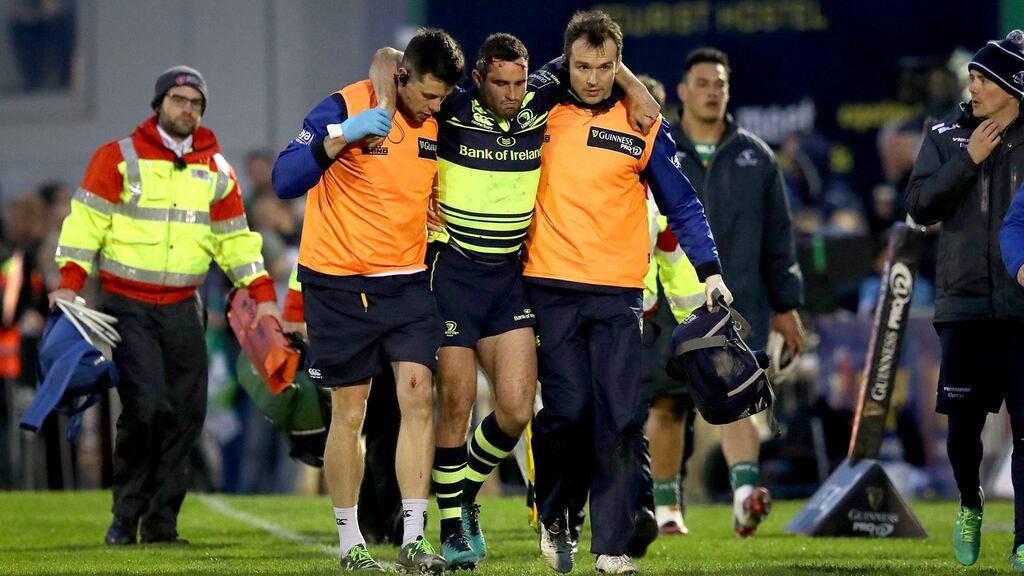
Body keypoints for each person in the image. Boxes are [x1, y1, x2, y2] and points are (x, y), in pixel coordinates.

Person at [367, 33, 659, 569]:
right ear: (478, 79)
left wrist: (633, 85)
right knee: (455, 403)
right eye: (499, 83)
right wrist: (386, 103)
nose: (511, 93)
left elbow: (593, 62)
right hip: (453, 275)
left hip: (508, 278)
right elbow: (390, 58)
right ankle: (454, 522)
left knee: (518, 409)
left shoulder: (540, 93)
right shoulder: (453, 104)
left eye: (518, 83)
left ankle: (462, 489)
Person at [525, 12, 731, 574]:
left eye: (605, 67)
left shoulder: (644, 125)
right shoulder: (542, 104)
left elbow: (682, 201)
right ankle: (557, 512)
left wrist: (710, 269)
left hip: (617, 293)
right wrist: (632, 79)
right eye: (583, 66)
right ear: (567, 62)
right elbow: (514, 79)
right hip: (550, 285)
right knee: (567, 413)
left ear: (617, 63)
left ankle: (611, 547)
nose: (593, 78)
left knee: (619, 417)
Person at [49, 65, 280, 544]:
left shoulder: (217, 169)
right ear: (158, 104)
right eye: (178, 99)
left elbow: (235, 241)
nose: (187, 109)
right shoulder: (117, 157)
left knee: (185, 414)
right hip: (126, 304)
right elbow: (84, 225)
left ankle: (160, 524)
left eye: (196, 103)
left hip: (182, 306)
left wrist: (262, 296)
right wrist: (69, 283)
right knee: (147, 408)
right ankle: (124, 515)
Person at [271, 28, 464, 574]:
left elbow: (419, 175)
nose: (434, 108)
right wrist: (339, 136)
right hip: (337, 284)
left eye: (441, 99)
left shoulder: (434, 115)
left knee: (418, 395)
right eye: (428, 95)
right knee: (349, 413)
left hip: (405, 282)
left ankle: (413, 537)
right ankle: (350, 541)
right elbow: (284, 178)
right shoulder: (345, 105)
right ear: (403, 77)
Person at [642, 47, 806, 539]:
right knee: (667, 403)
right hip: (669, 303)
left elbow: (781, 237)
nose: (713, 91)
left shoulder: (756, 155)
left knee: (739, 395)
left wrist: (787, 305)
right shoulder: (658, 149)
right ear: (684, 91)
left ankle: (743, 497)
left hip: (737, 303)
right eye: (703, 83)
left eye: (720, 83)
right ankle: (668, 509)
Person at [906, 30, 1024, 570]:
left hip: (1021, 308)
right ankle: (970, 501)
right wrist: (969, 159)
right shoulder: (945, 136)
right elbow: (920, 207)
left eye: (983, 78)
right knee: (962, 433)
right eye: (971, 77)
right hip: (965, 304)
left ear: (1011, 85)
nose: (972, 87)